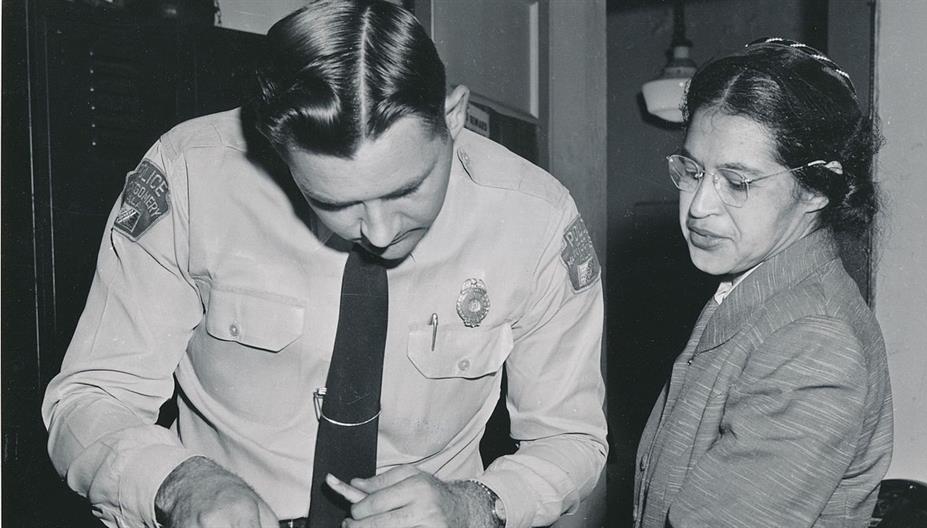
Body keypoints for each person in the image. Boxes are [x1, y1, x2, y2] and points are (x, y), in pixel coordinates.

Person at [41, 2, 608, 527]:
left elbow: (572, 439)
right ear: (277, 150)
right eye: (334, 202)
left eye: (407, 188)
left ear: (452, 116)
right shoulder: (190, 176)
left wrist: (474, 505)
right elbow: (90, 400)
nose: (380, 232)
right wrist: (181, 485)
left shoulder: (536, 220)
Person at [633, 37, 893, 528]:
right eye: (692, 170)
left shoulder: (813, 340)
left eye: (737, 182)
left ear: (817, 187)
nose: (699, 206)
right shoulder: (756, 289)